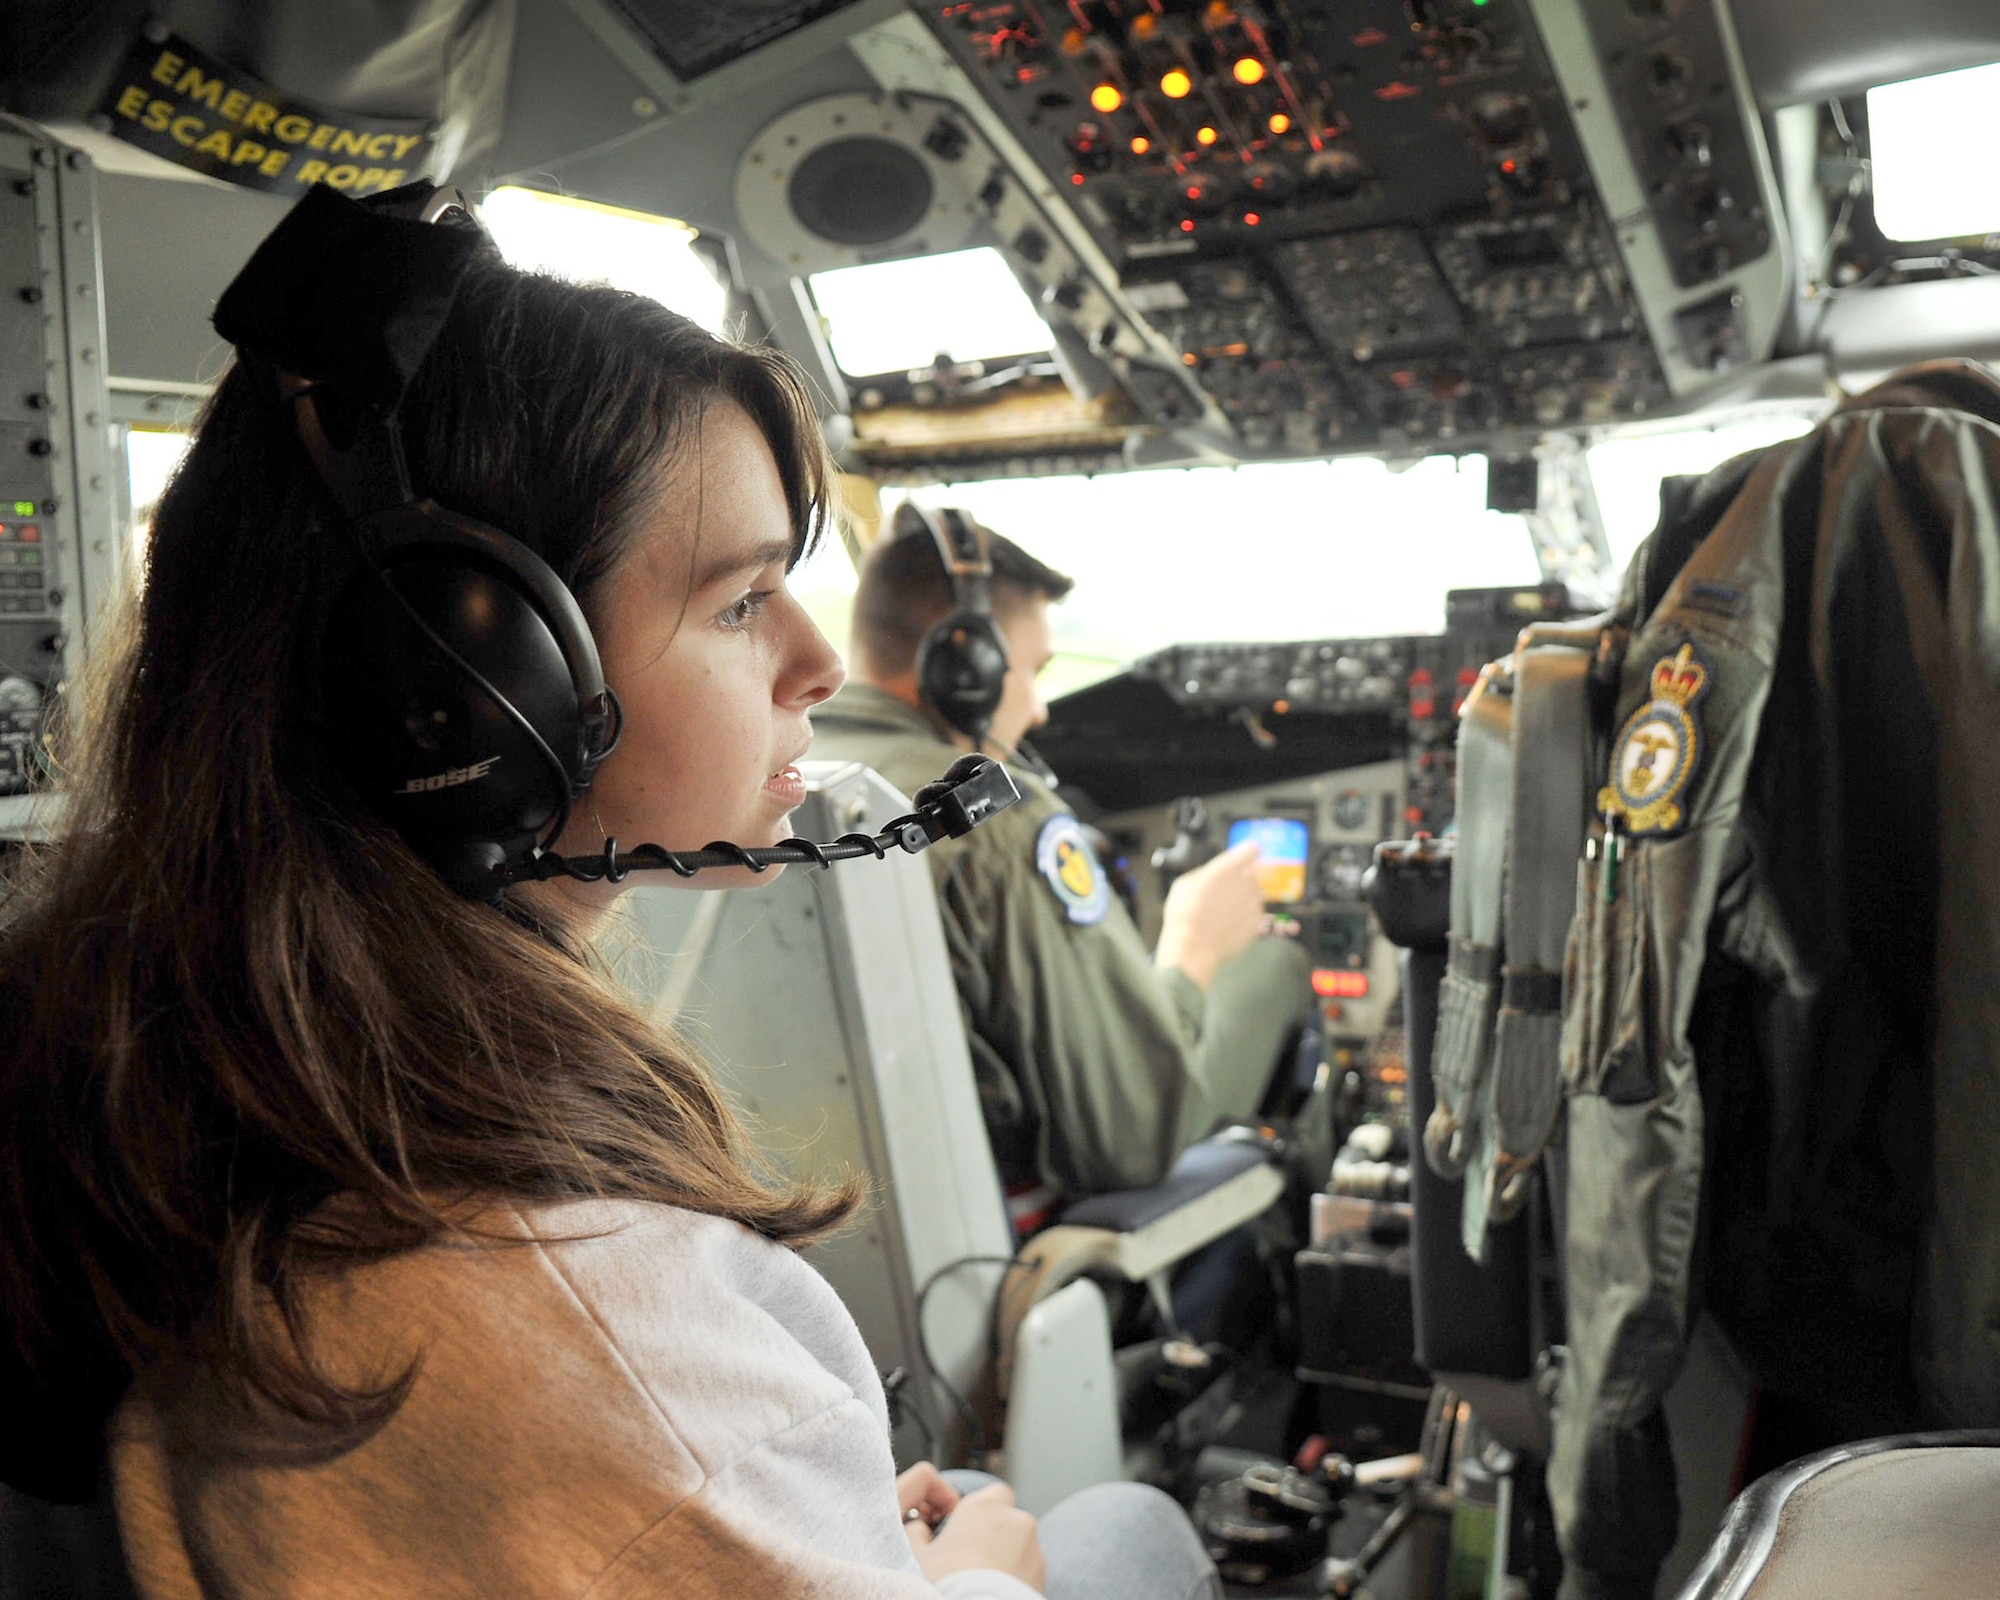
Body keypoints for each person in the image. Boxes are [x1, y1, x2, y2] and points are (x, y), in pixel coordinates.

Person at [0, 184, 1221, 1600]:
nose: (818, 664)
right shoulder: (576, 1310)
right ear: (462, 696)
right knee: (1110, 1529)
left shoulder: (133, 1049)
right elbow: (620, 1443)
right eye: (741, 599)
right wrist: (980, 1576)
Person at [812, 507, 1313, 1211]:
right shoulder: (993, 823)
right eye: (1034, 671)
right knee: (1274, 966)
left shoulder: (765, 785)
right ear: (968, 667)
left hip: (818, 1230)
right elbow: (1130, 1138)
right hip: (1001, 1255)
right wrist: (1191, 954)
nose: (1042, 711)